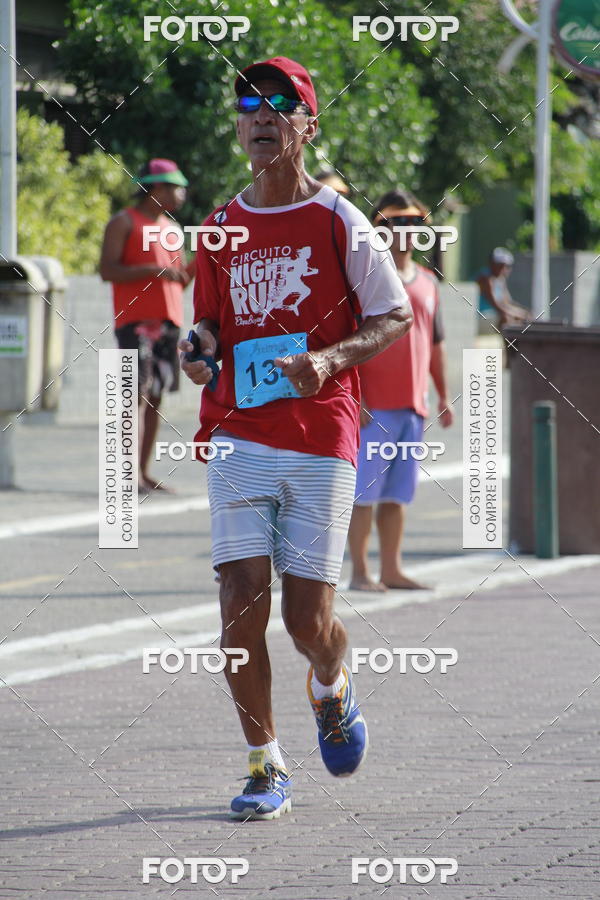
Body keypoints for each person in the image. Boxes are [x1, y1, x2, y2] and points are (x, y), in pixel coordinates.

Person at [180, 57, 413, 820]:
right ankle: (263, 763)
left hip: (322, 434)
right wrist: (199, 345)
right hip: (240, 430)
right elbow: (209, 321)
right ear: (239, 124)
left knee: (306, 622)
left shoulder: (340, 222)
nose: (262, 114)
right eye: (250, 102)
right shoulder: (219, 228)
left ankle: (332, 685)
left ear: (308, 124)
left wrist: (328, 360)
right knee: (239, 597)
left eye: (282, 103)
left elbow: (395, 315)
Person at [348, 189, 454, 592]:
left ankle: (391, 569)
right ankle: (360, 572)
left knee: (397, 496)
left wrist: (442, 396)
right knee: (364, 495)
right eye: (395, 222)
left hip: (413, 406)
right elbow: (350, 339)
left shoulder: (428, 282)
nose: (405, 231)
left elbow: (436, 344)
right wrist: (355, 398)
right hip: (373, 407)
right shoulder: (365, 278)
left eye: (413, 222)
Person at [100, 158, 193, 492]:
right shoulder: (124, 222)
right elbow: (107, 270)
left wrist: (205, 262)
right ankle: (127, 476)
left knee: (155, 398)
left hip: (169, 322)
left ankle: (143, 472)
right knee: (134, 398)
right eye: (176, 187)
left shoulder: (172, 229)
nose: (182, 194)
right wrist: (152, 272)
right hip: (136, 323)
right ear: (156, 187)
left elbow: (178, 280)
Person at [476, 247, 530, 331]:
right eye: (500, 265)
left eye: (506, 266)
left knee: (525, 315)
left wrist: (523, 312)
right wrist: (517, 314)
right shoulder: (485, 279)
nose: (503, 269)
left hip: (494, 315)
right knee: (506, 318)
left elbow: (507, 302)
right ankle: (508, 344)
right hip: (481, 316)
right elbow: (496, 306)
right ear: (492, 264)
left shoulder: (501, 280)